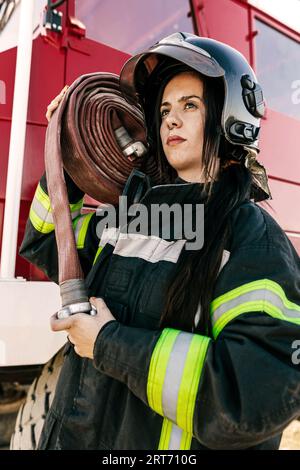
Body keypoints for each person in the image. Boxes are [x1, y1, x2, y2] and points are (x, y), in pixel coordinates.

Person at [20, 32, 300, 450]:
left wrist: (108, 343)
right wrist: (67, 158)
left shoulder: (251, 239)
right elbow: (46, 241)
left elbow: (250, 394)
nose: (171, 119)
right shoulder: (132, 218)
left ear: (231, 118)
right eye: (165, 108)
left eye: (190, 105)